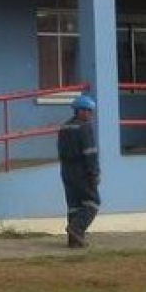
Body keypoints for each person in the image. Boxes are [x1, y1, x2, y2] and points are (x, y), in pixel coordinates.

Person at [57, 94, 101, 248]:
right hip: (82, 171)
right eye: (89, 111)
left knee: (74, 205)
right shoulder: (84, 127)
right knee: (92, 202)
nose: (91, 115)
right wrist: (94, 173)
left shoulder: (64, 127)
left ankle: (74, 241)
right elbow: (90, 153)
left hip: (66, 171)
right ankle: (76, 229)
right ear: (80, 111)